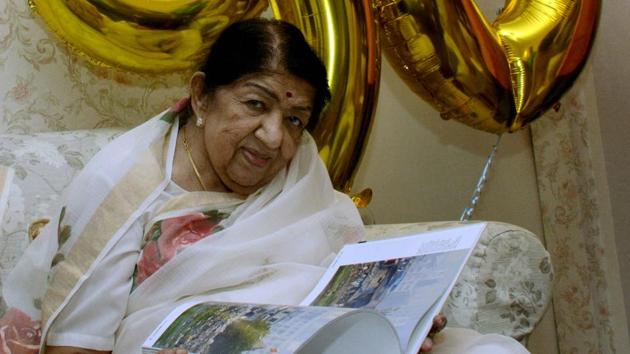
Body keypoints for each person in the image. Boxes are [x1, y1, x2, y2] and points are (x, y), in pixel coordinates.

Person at [0, 19, 528, 354]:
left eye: (296, 119)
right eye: (256, 105)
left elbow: (336, 271)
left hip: (315, 337)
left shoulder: (299, 168)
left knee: (487, 351)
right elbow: (76, 346)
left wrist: (403, 315)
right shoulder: (126, 182)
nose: (274, 137)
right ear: (203, 97)